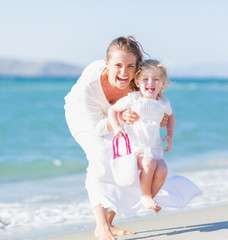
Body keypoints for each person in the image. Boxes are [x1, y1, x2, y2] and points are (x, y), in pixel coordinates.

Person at [64, 36, 201, 240]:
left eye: (130, 66)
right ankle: (101, 226)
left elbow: (151, 106)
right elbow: (98, 127)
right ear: (106, 63)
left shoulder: (136, 81)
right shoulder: (89, 85)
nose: (123, 72)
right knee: (101, 160)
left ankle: (110, 221)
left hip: (117, 116)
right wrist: (119, 116)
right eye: (118, 65)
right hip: (84, 117)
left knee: (127, 163)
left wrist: (160, 119)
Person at [108, 59, 175, 213]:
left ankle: (151, 196)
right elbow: (113, 110)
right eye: (145, 79)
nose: (150, 83)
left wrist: (170, 135)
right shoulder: (133, 99)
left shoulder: (163, 102)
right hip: (135, 147)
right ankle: (145, 195)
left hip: (154, 147)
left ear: (162, 83)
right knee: (149, 163)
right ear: (137, 82)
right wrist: (117, 126)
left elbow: (171, 117)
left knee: (163, 169)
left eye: (156, 79)